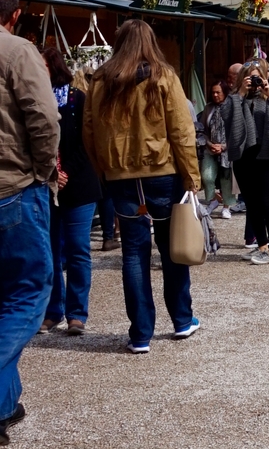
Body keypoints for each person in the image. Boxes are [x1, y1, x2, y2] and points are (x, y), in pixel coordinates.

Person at [83, 18, 202, 353]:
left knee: (134, 253)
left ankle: (140, 335)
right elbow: (181, 130)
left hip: (121, 175)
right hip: (162, 172)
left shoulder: (101, 79)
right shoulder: (163, 76)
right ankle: (181, 320)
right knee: (172, 249)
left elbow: (89, 132)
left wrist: (103, 170)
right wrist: (191, 176)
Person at [0, 0, 58, 443]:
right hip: (13, 190)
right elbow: (43, 117)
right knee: (27, 295)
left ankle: (4, 406)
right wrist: (44, 173)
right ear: (15, 15)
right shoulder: (17, 50)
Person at [40, 48, 101, 337]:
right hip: (47, 184)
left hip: (78, 185)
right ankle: (53, 311)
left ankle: (76, 313)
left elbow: (88, 142)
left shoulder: (78, 99)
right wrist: (51, 172)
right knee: (50, 252)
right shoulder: (34, 100)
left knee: (78, 250)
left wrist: (64, 172)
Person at [221, 63, 269, 263]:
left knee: (267, 203)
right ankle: (262, 245)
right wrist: (241, 92)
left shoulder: (268, 99)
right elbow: (225, 115)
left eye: (257, 77)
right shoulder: (235, 99)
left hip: (263, 156)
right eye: (250, 78)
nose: (255, 82)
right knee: (251, 204)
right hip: (243, 157)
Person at [195, 80, 235, 217]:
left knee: (226, 178)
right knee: (206, 176)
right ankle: (212, 200)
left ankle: (227, 207)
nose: (215, 95)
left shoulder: (232, 107)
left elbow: (236, 132)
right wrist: (210, 144)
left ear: (225, 92)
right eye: (213, 92)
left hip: (227, 149)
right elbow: (202, 130)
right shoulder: (208, 108)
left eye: (218, 92)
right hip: (210, 147)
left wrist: (224, 146)